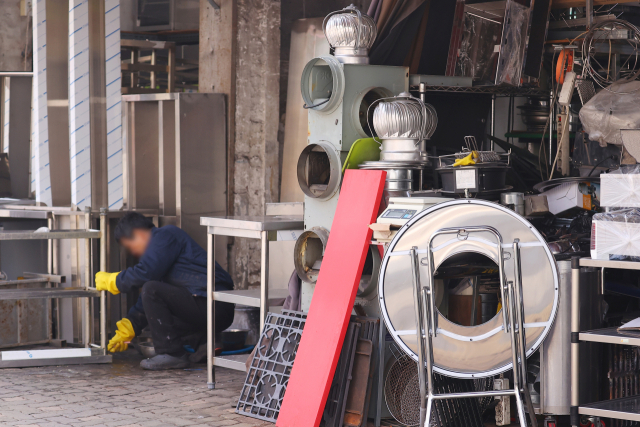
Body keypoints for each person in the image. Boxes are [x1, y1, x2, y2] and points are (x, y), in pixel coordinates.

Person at [95, 212, 235, 370]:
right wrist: (129, 326)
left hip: (215, 305)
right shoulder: (161, 255)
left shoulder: (165, 235)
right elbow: (148, 299)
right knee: (158, 306)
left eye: (129, 246)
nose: (133, 253)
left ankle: (172, 354)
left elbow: (147, 275)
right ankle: (205, 343)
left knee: (152, 290)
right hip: (210, 307)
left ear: (138, 234)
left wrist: (115, 281)